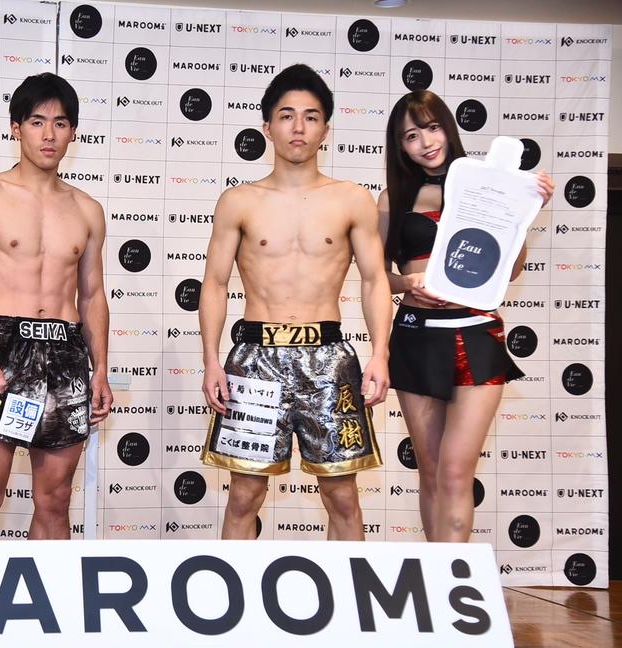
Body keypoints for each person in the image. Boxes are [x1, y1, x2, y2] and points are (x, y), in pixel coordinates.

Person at [200, 63, 390, 551]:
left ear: (326, 128)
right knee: (243, 495)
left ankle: (347, 595)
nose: (298, 127)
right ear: (267, 126)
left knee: (342, 495)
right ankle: (232, 594)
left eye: (311, 116)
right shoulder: (239, 201)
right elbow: (215, 284)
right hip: (255, 359)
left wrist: (380, 354)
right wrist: (210, 361)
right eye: (286, 116)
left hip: (328, 357)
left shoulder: (353, 200)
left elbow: (375, 280)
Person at [378, 90, 554, 543]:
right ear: (400, 146)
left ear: (448, 128)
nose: (425, 143)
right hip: (417, 336)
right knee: (431, 468)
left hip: (475, 334)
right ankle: (438, 575)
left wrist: (521, 213)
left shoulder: (485, 185)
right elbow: (376, 276)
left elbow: (510, 268)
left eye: (432, 128)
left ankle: (450, 575)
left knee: (456, 470)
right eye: (410, 136)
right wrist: (407, 282)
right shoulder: (393, 198)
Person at [0, 72, 112, 542]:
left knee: (55, 499)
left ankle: (48, 595)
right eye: (37, 122)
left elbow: (92, 295)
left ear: (73, 132)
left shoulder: (87, 209)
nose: (48, 134)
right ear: (16, 128)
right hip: (3, 347)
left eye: (60, 123)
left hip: (65, 352)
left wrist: (100, 370)